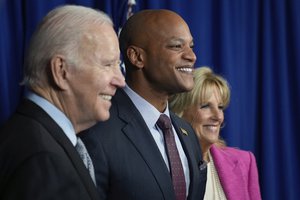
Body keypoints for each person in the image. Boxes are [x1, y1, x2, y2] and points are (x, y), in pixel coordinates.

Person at [0, 5, 125, 200]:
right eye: (108, 64)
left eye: (118, 65)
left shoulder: (34, 136)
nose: (121, 81)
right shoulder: (42, 159)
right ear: (61, 71)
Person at [80, 9, 207, 200]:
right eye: (176, 46)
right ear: (137, 57)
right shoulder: (97, 130)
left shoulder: (186, 132)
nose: (191, 56)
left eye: (191, 46)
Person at [169, 67, 262, 200]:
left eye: (220, 107)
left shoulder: (244, 162)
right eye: (206, 106)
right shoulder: (165, 165)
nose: (218, 116)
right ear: (181, 112)